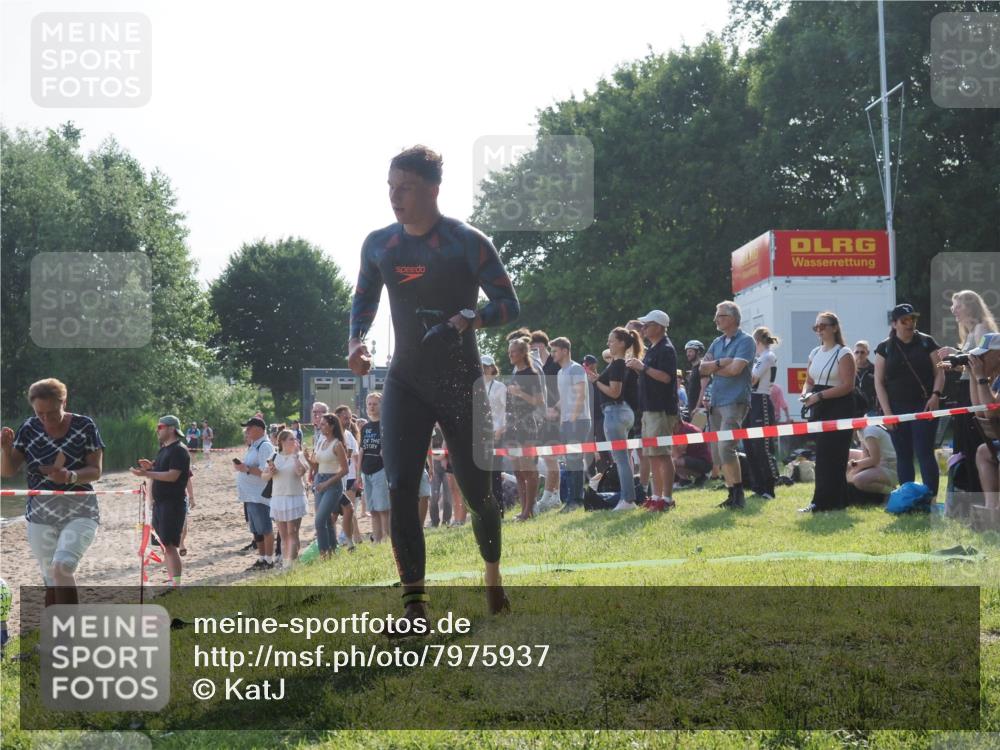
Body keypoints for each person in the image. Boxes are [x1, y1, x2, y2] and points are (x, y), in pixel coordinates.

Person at [348, 145, 519, 621]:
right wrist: (355, 341)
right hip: (406, 380)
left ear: (433, 190)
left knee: (478, 492)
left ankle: (492, 575)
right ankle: (415, 606)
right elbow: (362, 300)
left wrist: (470, 318)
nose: (394, 197)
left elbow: (509, 304)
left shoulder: (467, 241)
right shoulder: (379, 245)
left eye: (405, 188)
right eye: (390, 187)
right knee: (400, 484)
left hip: (461, 382)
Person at [1, 378, 104, 606]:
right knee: (50, 579)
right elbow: (7, 471)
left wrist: (70, 476)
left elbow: (96, 471)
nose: (46, 418)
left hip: (81, 511)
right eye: (40, 413)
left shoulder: (84, 426)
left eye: (51, 413)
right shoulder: (29, 428)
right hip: (40, 514)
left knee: (61, 568)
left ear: (63, 402)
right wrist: (5, 449)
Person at [874, 304, 945, 499]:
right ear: (894, 324)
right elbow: (878, 383)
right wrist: (888, 414)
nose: (910, 323)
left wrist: (935, 395)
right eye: (904, 320)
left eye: (912, 319)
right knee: (903, 455)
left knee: (924, 452)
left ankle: (930, 499)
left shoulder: (927, 342)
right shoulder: (884, 348)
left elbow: (940, 372)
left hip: (924, 406)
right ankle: (907, 498)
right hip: (895, 408)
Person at [799, 311, 856, 512]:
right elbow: (809, 381)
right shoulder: (814, 352)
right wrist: (806, 394)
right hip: (819, 407)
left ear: (834, 328)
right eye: (816, 327)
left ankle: (827, 502)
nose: (819, 330)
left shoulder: (844, 353)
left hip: (839, 407)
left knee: (834, 455)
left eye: (823, 326)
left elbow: (848, 385)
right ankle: (828, 501)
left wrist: (819, 396)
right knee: (822, 455)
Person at [700, 301, 755, 509]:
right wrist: (721, 362)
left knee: (726, 448)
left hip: (735, 401)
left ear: (732, 318)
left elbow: (735, 370)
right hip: (716, 402)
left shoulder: (746, 341)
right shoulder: (717, 342)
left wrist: (713, 367)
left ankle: (738, 495)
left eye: (720, 315)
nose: (716, 319)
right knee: (717, 452)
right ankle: (731, 493)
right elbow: (701, 369)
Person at [626, 311, 678, 512]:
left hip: (661, 409)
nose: (644, 328)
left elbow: (666, 377)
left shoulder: (666, 349)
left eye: (647, 325)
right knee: (652, 455)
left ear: (659, 326)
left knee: (662, 454)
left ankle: (667, 498)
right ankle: (656, 496)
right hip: (649, 409)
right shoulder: (655, 348)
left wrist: (643, 368)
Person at [131, 415, 191, 587]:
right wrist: (151, 467)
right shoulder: (164, 449)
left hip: (172, 504)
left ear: (171, 429)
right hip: (161, 504)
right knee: (165, 545)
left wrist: (147, 473)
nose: (157, 430)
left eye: (160, 427)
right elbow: (163, 470)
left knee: (170, 545)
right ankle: (173, 582)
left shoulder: (179, 450)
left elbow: (173, 476)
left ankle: (176, 585)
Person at [590, 327, 642, 510]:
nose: (608, 344)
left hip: (615, 412)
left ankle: (627, 499)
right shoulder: (619, 364)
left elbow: (615, 392)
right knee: (623, 458)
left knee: (621, 459)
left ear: (621, 343)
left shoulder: (618, 364)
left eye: (611, 341)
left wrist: (596, 382)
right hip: (620, 412)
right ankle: (627, 497)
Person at [550, 337, 592, 512]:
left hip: (579, 421)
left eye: (555, 351)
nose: (552, 354)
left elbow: (581, 395)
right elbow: (565, 398)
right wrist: (554, 410)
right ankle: (572, 499)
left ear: (565, 351)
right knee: (570, 461)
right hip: (567, 422)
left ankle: (576, 500)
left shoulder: (576, 368)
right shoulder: (560, 373)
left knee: (575, 460)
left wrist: (573, 419)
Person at [505, 337, 545, 520]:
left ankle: (529, 510)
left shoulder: (532, 374)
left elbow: (539, 401)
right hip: (513, 425)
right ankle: (524, 511)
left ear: (522, 353)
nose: (510, 355)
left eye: (513, 351)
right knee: (518, 472)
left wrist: (519, 393)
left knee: (528, 470)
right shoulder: (515, 375)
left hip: (528, 425)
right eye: (509, 352)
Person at [262, 428, 311, 566]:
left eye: (295, 439)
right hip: (278, 498)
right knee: (283, 535)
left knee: (292, 532)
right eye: (291, 439)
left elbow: (300, 472)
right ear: (282, 441)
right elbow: (264, 477)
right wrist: (271, 473)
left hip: (295, 497)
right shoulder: (273, 456)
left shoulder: (299, 456)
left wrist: (295, 456)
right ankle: (286, 563)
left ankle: (291, 564)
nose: (295, 441)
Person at [234, 416, 277, 570]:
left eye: (249, 428)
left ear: (259, 429)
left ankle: (269, 560)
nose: (247, 431)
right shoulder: (254, 445)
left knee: (265, 528)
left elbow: (265, 471)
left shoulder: (265, 446)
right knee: (256, 530)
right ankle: (262, 558)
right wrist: (243, 468)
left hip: (259, 495)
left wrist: (245, 469)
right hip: (251, 495)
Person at [307, 413, 352, 558]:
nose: (320, 426)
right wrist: (307, 459)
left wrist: (327, 483)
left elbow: (345, 470)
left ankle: (324, 554)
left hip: (332, 484)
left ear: (332, 426)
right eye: (320, 424)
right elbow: (316, 466)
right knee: (325, 519)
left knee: (319, 521)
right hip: (319, 480)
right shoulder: (321, 442)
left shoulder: (337, 444)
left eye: (323, 424)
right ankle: (332, 551)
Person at [744, 327, 780, 500]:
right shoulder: (760, 358)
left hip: (761, 400)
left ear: (757, 341)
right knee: (750, 446)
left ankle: (769, 487)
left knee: (762, 447)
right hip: (751, 401)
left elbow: (752, 379)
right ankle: (757, 486)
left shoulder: (767, 356)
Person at [530, 330, 563, 512]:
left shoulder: (555, 364)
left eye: (533, 345)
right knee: (546, 456)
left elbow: (566, 390)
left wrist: (555, 409)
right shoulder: (535, 366)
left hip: (555, 415)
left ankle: (550, 497)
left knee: (551, 457)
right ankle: (554, 495)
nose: (531, 349)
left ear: (541, 345)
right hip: (540, 417)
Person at [968, 334, 1000, 515]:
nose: (978, 360)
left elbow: (991, 412)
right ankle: (991, 509)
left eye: (983, 356)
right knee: (983, 452)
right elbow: (979, 411)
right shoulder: (996, 379)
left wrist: (980, 377)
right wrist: (973, 377)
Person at [359, 393, 390, 543]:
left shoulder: (386, 425)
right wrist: (358, 473)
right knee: (372, 509)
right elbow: (362, 450)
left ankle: (387, 538)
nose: (372, 407)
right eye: (369, 404)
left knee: (383, 508)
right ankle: (377, 540)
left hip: (380, 469)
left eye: (375, 404)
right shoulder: (365, 427)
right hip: (366, 470)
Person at [334, 405, 363, 544]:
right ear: (337, 418)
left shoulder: (348, 435)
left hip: (349, 477)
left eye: (350, 418)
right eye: (345, 418)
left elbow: (355, 458)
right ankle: (355, 538)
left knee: (349, 510)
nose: (348, 421)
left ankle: (354, 539)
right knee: (346, 511)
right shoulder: (330, 434)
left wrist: (358, 477)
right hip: (336, 477)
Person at [847, 424, 898, 498]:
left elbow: (875, 460)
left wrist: (852, 465)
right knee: (848, 453)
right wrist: (852, 472)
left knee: (859, 480)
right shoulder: (861, 431)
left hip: (892, 467)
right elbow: (865, 456)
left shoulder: (869, 431)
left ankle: (894, 493)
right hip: (881, 464)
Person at [671, 417, 713, 486]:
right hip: (692, 458)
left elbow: (677, 454)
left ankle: (686, 480)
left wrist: (671, 437)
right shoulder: (678, 429)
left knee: (673, 462)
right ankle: (684, 479)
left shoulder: (685, 430)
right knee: (670, 461)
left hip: (704, 462)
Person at [428, 423, 452, 527]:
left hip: (448, 465)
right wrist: (435, 459)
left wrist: (443, 457)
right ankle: (434, 522)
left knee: (447, 497)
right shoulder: (430, 428)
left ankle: (446, 521)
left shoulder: (448, 427)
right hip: (434, 465)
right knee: (433, 496)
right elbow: (427, 447)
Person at [684, 340, 706, 423]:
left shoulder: (702, 367)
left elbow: (704, 388)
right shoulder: (694, 368)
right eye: (687, 351)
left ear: (698, 352)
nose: (688, 354)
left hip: (700, 410)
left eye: (690, 351)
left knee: (698, 431)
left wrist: (697, 407)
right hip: (692, 408)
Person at [853, 342, 877, 416]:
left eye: (862, 352)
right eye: (857, 352)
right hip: (854, 408)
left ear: (868, 353)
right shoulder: (849, 369)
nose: (859, 355)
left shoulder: (875, 369)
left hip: (871, 409)